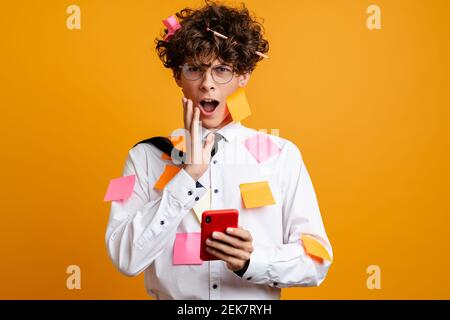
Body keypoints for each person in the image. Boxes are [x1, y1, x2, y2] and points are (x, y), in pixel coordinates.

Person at [105, 1, 332, 300]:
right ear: (178, 76)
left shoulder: (282, 155)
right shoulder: (143, 158)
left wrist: (253, 261)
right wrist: (187, 177)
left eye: (222, 70)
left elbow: (318, 262)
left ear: (243, 75)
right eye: (195, 70)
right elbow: (124, 258)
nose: (207, 84)